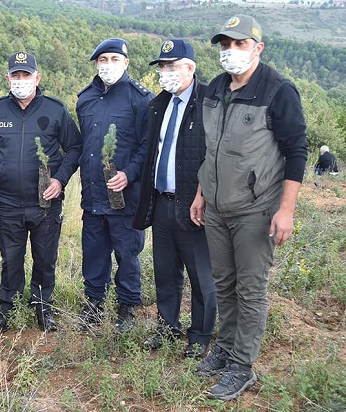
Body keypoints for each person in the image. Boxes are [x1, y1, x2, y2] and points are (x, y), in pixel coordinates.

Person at [190, 15, 308, 400]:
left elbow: (296, 152)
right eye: (225, 45)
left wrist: (285, 210)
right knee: (223, 283)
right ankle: (224, 350)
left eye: (240, 44)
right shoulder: (216, 89)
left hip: (256, 209)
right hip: (217, 206)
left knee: (251, 288)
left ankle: (242, 366)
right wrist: (201, 193)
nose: (230, 52)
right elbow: (212, 149)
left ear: (258, 48)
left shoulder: (278, 91)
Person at [0, 52, 81, 333]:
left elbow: (75, 148)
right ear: (7, 78)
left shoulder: (55, 110)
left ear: (37, 78)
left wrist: (60, 180)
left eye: (26, 75)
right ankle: (8, 311)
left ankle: (43, 310)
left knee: (45, 259)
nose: (20, 80)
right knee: (11, 260)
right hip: (8, 203)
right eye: (15, 75)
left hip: (45, 204)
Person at [134, 39, 216, 358]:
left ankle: (199, 337)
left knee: (201, 275)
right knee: (165, 273)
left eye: (172, 66)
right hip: (162, 202)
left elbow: (217, 154)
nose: (166, 72)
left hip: (195, 205)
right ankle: (167, 328)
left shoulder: (210, 101)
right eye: (163, 67)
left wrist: (204, 195)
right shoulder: (158, 105)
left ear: (190, 68)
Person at [76, 38, 154, 332]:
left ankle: (126, 308)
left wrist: (130, 173)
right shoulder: (85, 99)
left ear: (126, 62)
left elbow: (148, 146)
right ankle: (94, 305)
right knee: (94, 252)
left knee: (127, 253)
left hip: (125, 196)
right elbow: (85, 144)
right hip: (93, 194)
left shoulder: (140, 99)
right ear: (96, 64)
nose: (107, 65)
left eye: (113, 59)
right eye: (102, 60)